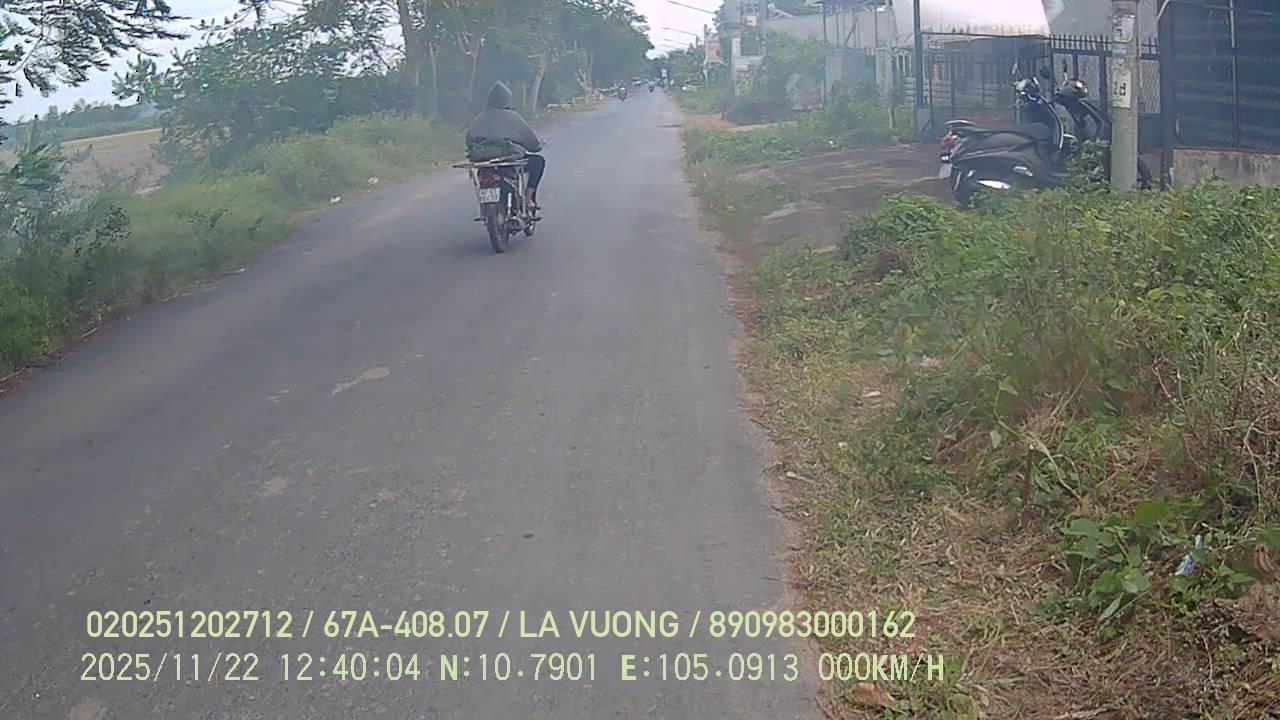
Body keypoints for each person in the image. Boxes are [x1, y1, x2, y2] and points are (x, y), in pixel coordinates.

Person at [465, 81, 545, 212]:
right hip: (509, 160)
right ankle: (528, 198)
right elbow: (532, 142)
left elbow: (469, 140)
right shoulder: (513, 117)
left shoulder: (479, 117)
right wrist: (537, 146)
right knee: (538, 162)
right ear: (506, 100)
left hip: (484, 162)